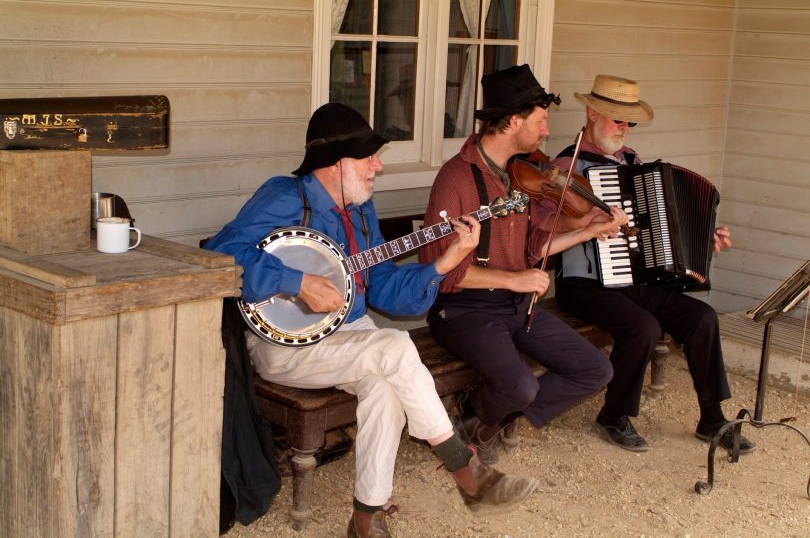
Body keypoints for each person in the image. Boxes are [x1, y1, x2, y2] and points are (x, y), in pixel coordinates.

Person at [204, 102, 538, 538]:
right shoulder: (286, 196)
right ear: (336, 163)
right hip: (286, 343)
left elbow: (382, 288)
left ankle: (367, 516)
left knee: (385, 385)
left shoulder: (360, 210)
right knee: (397, 348)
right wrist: (296, 280)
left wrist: (442, 265)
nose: (377, 168)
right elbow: (220, 254)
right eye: (369, 158)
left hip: (354, 336)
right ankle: (464, 466)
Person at [418, 65, 619, 464]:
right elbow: (443, 270)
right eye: (541, 121)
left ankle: (481, 421)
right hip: (463, 309)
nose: (546, 132)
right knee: (521, 386)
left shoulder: (518, 177)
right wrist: (516, 280)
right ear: (513, 121)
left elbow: (532, 249)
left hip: (514, 304)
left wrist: (588, 230)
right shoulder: (456, 179)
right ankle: (483, 411)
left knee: (595, 370)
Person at [551, 74, 756, 454]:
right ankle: (613, 415)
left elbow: (655, 227)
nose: (624, 129)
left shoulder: (633, 163)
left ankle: (712, 418)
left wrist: (701, 239)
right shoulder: (566, 166)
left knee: (702, 318)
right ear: (592, 114)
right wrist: (590, 224)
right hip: (583, 283)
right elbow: (545, 230)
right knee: (643, 327)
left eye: (629, 122)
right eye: (617, 120)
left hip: (633, 277)